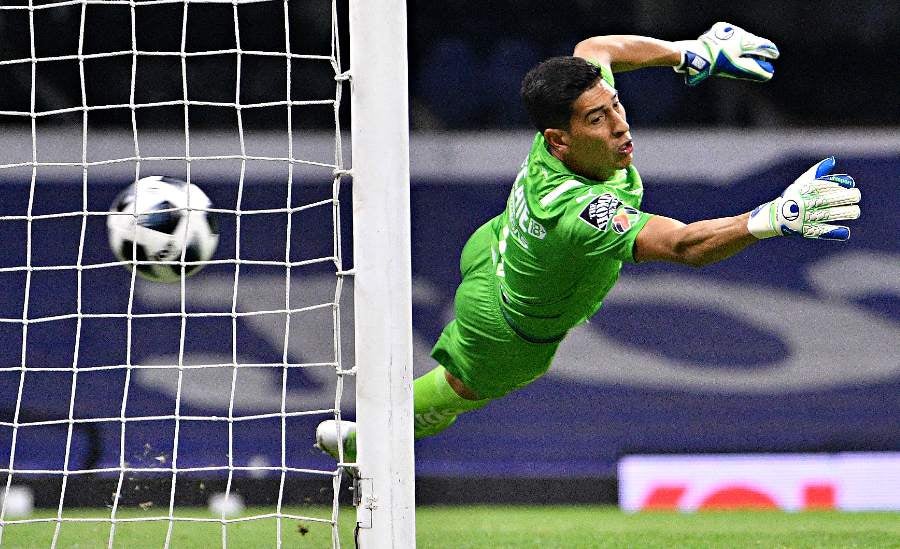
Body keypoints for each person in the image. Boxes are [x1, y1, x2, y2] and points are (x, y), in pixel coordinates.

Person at [315, 22, 861, 463]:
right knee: (459, 387)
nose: (621, 125)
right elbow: (681, 246)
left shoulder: (569, 113)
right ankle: (365, 442)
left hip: (494, 244)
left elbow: (595, 47)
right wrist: (770, 219)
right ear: (560, 139)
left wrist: (689, 52)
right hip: (508, 331)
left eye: (615, 107)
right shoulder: (580, 211)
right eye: (599, 120)